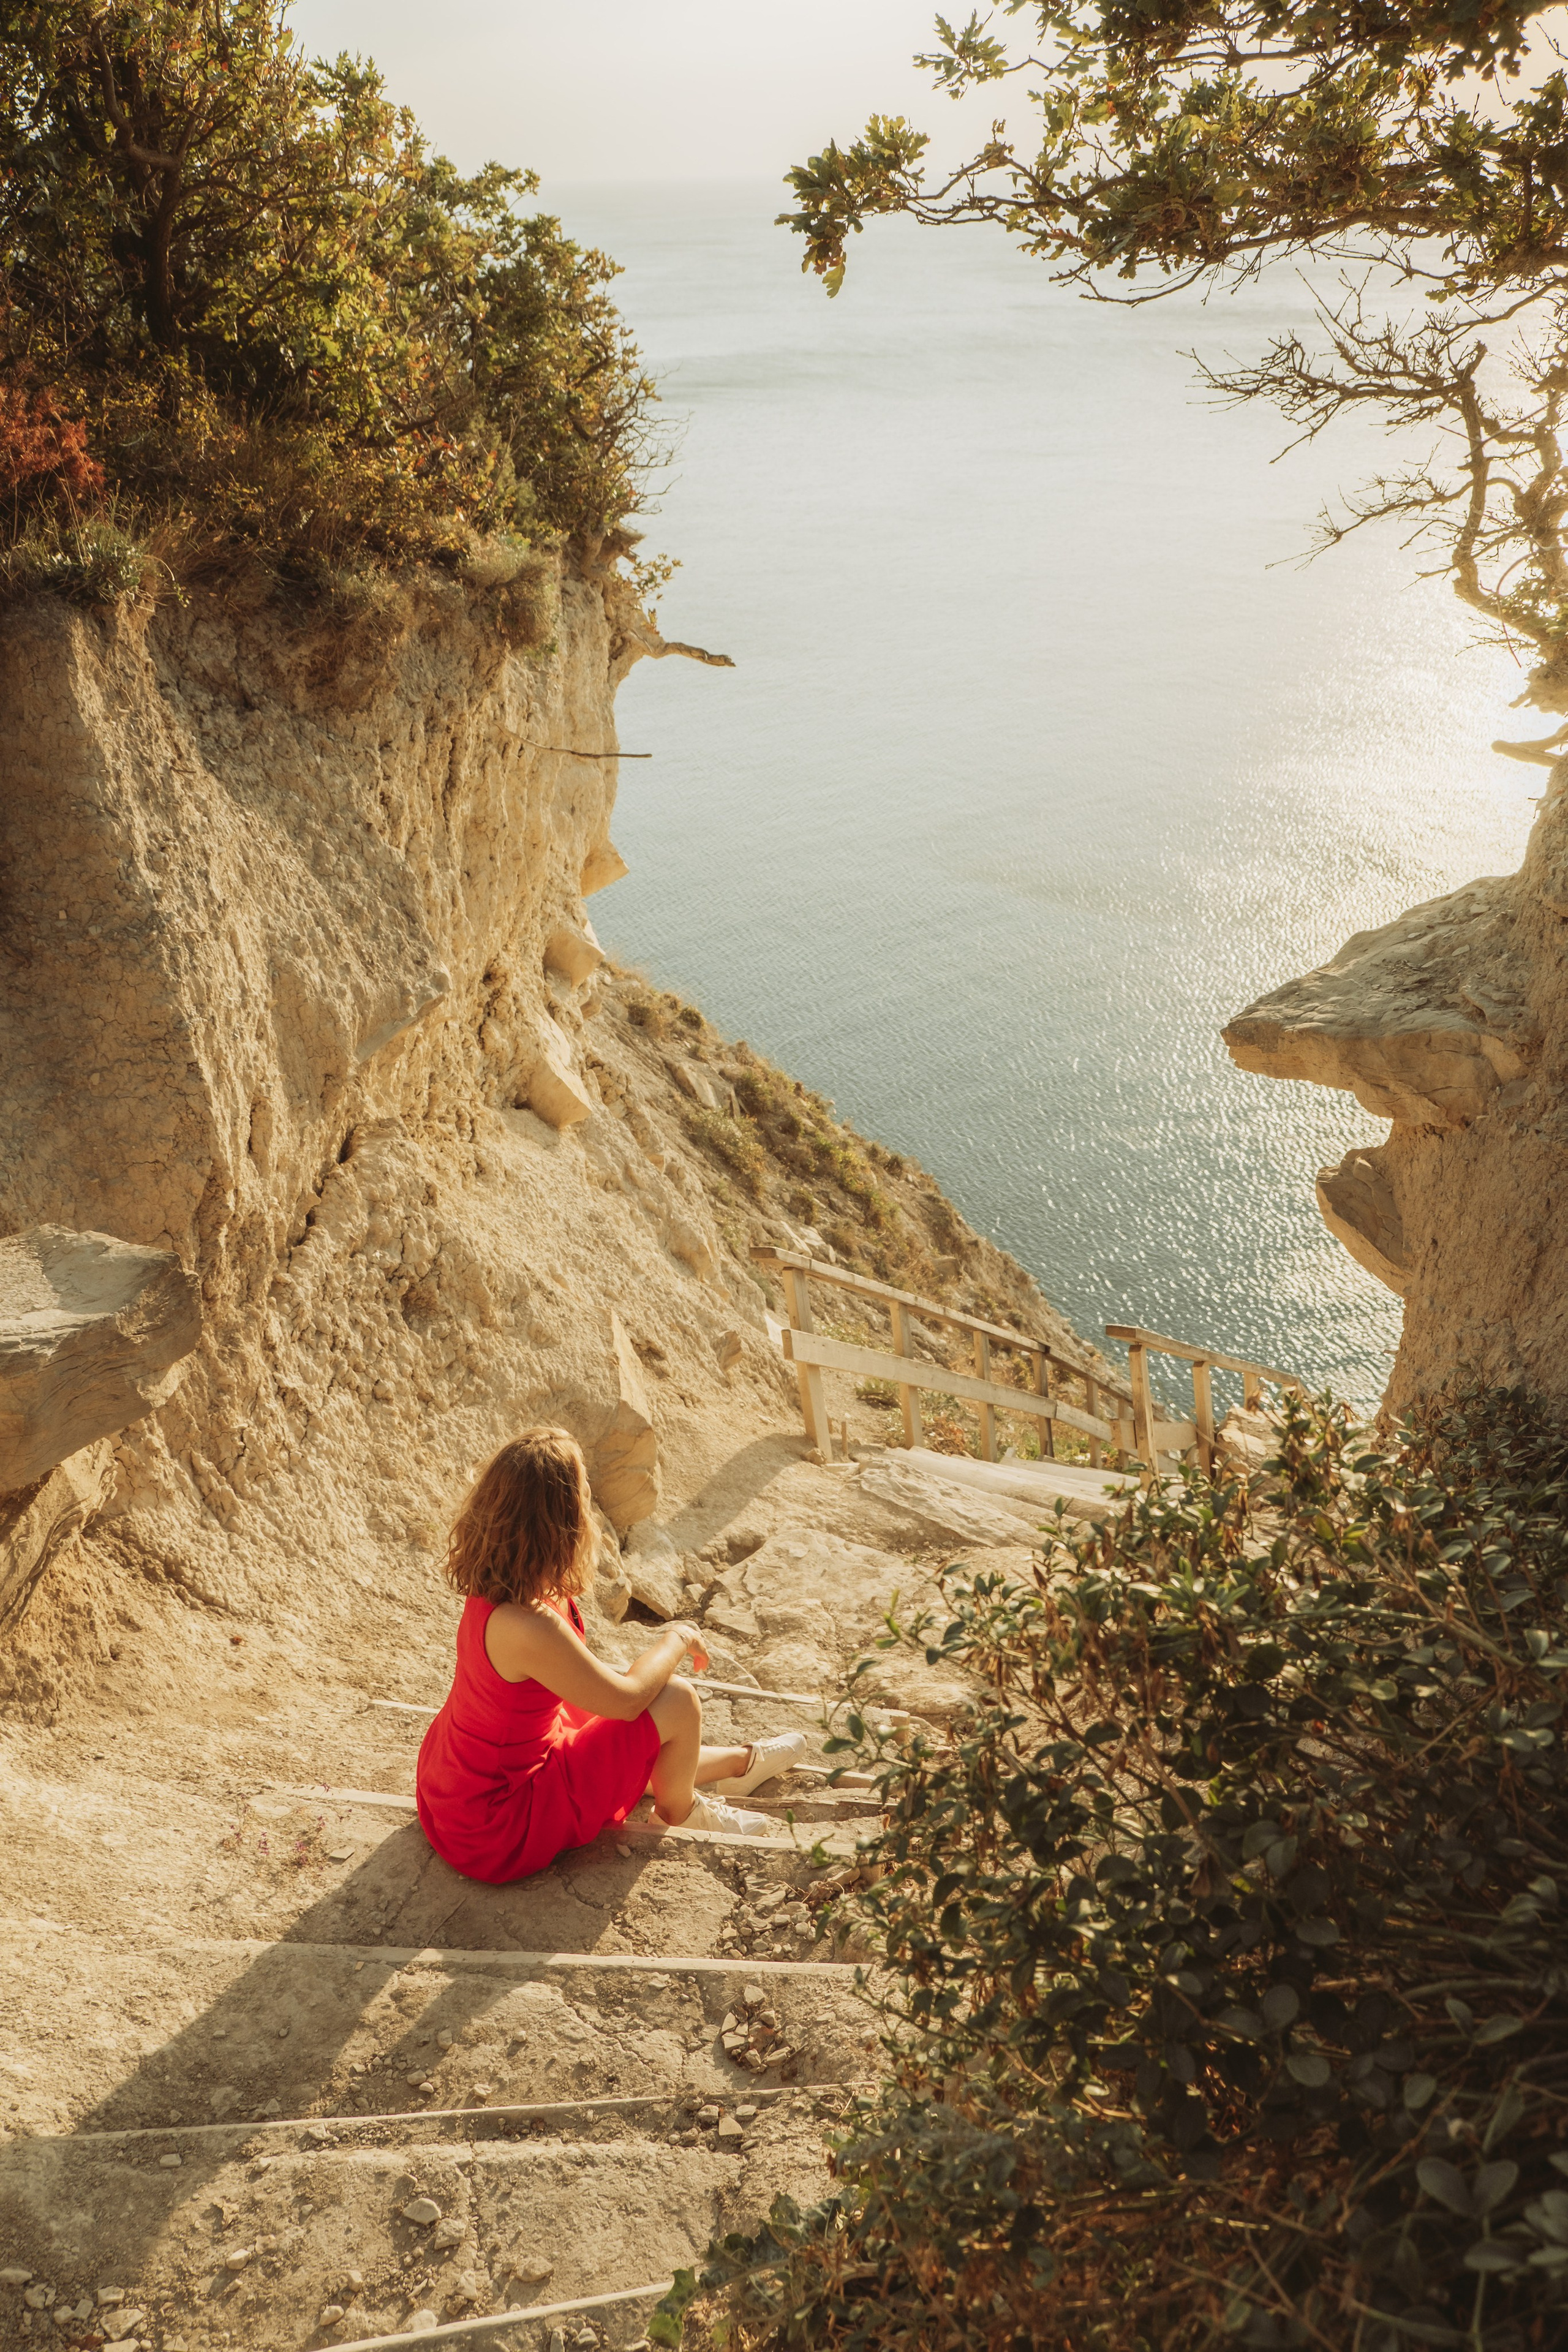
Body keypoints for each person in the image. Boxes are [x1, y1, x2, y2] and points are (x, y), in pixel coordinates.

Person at [416, 1426, 806, 1885]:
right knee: (676, 1699)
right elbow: (626, 1700)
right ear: (560, 1520)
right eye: (583, 1491)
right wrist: (677, 1636)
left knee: (610, 1713)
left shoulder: (501, 1582)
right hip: (496, 1821)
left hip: (461, 1780)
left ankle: (740, 1764)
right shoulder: (527, 1624)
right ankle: (681, 1810)